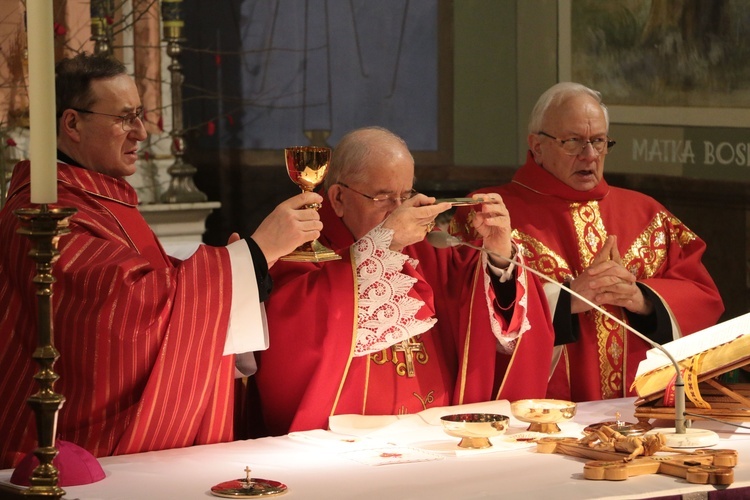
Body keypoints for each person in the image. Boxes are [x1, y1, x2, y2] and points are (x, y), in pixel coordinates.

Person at [0, 52, 323, 469]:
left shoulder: (97, 198)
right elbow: (120, 315)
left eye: (141, 115)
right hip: (74, 451)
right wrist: (251, 257)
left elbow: (152, 281)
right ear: (72, 124)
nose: (141, 132)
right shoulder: (44, 213)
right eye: (125, 117)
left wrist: (238, 269)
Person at [252, 126, 555, 436]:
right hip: (345, 444)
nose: (399, 212)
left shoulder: (426, 251)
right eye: (383, 198)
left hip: (436, 437)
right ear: (338, 198)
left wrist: (499, 253)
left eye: (406, 196)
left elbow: (475, 305)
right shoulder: (301, 251)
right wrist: (384, 245)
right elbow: (291, 339)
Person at [451, 82, 724, 402]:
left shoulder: (648, 213)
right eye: (573, 142)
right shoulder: (490, 213)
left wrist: (643, 300)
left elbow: (702, 298)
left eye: (598, 141)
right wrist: (566, 300)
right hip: (540, 414)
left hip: (640, 411)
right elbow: (463, 311)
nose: (590, 155)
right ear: (536, 145)